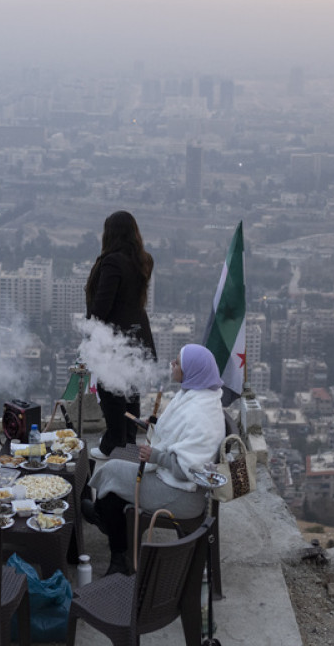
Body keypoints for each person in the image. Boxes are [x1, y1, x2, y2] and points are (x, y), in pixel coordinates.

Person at [81, 344, 226, 575]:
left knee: (113, 471)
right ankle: (109, 521)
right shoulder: (198, 395)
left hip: (181, 493)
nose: (173, 364)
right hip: (170, 477)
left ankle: (118, 552)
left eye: (178, 363)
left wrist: (156, 455)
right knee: (119, 454)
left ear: (193, 371)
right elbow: (179, 435)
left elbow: (190, 470)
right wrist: (155, 427)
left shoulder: (201, 414)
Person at [85, 210, 157, 458]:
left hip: (114, 340)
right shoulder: (143, 260)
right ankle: (127, 444)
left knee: (111, 394)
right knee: (130, 393)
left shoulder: (112, 262)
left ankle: (113, 445)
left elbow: (103, 306)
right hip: (138, 338)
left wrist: (90, 332)